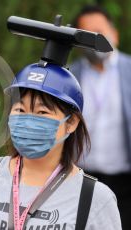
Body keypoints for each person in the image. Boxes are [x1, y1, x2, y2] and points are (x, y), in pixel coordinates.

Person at [0, 60, 121, 229]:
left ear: (71, 123)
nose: (28, 120)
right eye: (20, 109)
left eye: (42, 113)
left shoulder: (96, 198)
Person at [70, 5, 131, 229]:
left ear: (114, 33)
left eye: (100, 31)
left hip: (125, 182)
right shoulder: (70, 75)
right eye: (88, 35)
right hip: (81, 179)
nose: (95, 41)